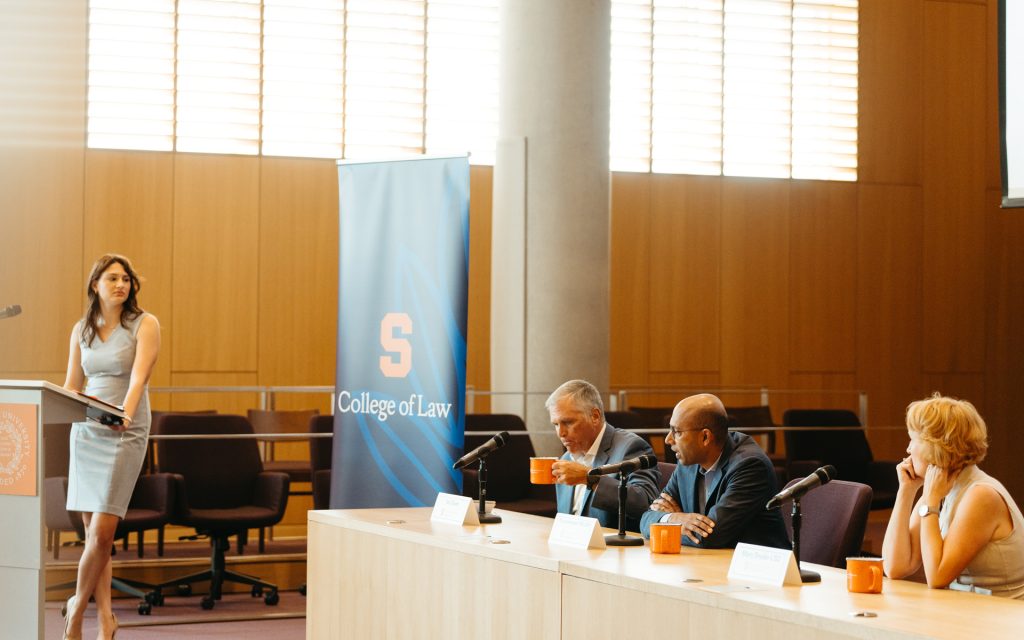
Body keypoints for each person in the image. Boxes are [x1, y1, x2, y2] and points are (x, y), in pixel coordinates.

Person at [62, 254, 161, 640]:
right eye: (112, 278)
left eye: (126, 279)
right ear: (95, 285)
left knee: (103, 532)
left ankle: (75, 611)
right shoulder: (81, 329)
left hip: (125, 429)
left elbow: (139, 378)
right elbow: (72, 382)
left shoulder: (145, 324)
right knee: (94, 538)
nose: (121, 284)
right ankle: (106, 618)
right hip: (87, 431)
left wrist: (125, 415)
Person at [882, 394, 1024, 598]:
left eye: (913, 440)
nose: (908, 448)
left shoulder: (981, 495)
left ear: (936, 447)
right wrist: (906, 491)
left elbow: (937, 577)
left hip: (1005, 617)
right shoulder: (938, 490)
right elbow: (895, 567)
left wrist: (930, 503)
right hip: (971, 610)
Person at [640, 394, 789, 549]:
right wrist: (674, 518)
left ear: (705, 437)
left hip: (756, 568)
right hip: (709, 563)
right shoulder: (688, 462)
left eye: (677, 431)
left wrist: (671, 523)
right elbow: (646, 519)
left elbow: (710, 536)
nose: (668, 440)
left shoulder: (749, 465)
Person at [547, 379, 659, 532]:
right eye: (556, 424)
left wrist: (589, 478)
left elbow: (645, 503)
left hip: (614, 551)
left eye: (568, 422)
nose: (561, 433)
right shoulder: (566, 459)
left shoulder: (630, 447)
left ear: (594, 416)